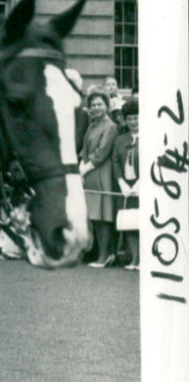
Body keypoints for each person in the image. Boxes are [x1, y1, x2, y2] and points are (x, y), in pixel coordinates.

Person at [79, 88, 119, 268]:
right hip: (90, 174)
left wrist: (84, 169)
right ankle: (99, 253)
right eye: (93, 105)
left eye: (99, 104)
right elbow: (85, 150)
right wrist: (81, 166)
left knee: (103, 215)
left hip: (102, 174)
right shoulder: (92, 125)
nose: (96, 108)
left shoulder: (110, 126)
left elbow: (102, 152)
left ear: (106, 106)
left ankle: (106, 255)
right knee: (94, 215)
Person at [111, 98, 140, 270]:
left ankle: (145, 259)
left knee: (144, 222)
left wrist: (140, 183)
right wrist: (121, 182)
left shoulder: (151, 137)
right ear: (126, 120)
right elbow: (115, 161)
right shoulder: (120, 139)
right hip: (126, 186)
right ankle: (134, 259)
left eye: (136, 118)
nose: (134, 122)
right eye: (130, 119)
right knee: (129, 222)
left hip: (144, 185)